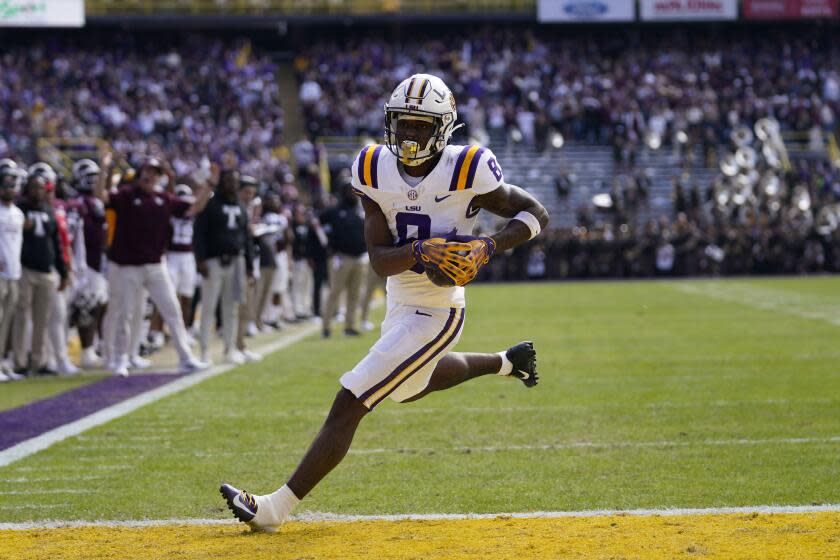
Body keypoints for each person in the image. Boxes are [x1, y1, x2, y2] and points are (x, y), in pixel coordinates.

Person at [221, 73, 549, 532]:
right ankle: (505, 362)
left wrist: (486, 247)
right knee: (408, 387)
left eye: (421, 125)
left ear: (443, 127)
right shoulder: (373, 167)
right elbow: (379, 262)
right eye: (404, 123)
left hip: (438, 309)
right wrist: (420, 251)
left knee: (351, 399)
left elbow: (536, 213)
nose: (410, 134)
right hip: (400, 299)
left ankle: (275, 508)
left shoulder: (468, 166)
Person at [94, 153, 211, 377]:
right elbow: (102, 196)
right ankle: (121, 359)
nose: (149, 175)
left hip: (156, 265)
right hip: (128, 265)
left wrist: (209, 184)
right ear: (141, 173)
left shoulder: (164, 199)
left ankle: (185, 357)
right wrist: (104, 169)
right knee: (125, 314)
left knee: (172, 310)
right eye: (146, 171)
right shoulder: (127, 195)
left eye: (154, 172)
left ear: (159, 177)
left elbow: (195, 207)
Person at [193, 169, 255, 365]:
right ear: (221, 182)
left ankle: (229, 349)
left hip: (237, 261)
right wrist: (200, 259)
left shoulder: (241, 206)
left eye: (235, 181)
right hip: (213, 261)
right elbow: (199, 232)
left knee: (232, 308)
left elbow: (246, 238)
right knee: (209, 307)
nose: (232, 184)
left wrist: (250, 266)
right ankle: (204, 351)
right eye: (228, 181)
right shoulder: (211, 204)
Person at [13, 175, 68, 375]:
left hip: (46, 272)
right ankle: (19, 362)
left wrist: (63, 271)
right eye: (34, 187)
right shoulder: (19, 209)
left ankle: (39, 361)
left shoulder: (48, 211)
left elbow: (55, 244)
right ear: (27, 189)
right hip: (26, 270)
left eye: (41, 188)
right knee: (21, 317)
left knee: (42, 319)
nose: (38, 191)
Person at [320, 180, 367, 337]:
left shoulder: (360, 210)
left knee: (354, 295)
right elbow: (317, 221)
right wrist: (328, 245)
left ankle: (349, 326)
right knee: (335, 292)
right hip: (341, 257)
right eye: (349, 190)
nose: (353, 193)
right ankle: (326, 327)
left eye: (354, 190)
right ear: (343, 192)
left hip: (359, 257)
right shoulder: (334, 211)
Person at [0, 163, 26, 381]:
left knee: (8, 321)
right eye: (6, 184)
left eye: (12, 184)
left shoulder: (18, 213)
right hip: (0, 274)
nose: (10, 188)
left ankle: (3, 362)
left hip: (14, 273)